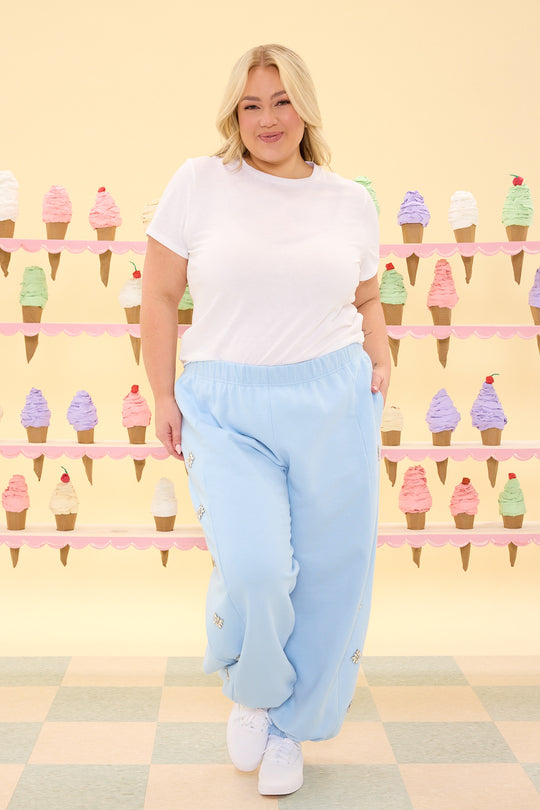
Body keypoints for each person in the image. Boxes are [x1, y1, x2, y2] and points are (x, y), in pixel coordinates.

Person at [141, 43, 390, 798]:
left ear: (305, 107)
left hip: (334, 401)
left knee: (329, 577)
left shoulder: (349, 200)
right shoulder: (199, 183)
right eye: (251, 105)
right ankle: (253, 687)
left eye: (281, 101)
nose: (267, 119)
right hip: (225, 402)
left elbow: (367, 298)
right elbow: (158, 295)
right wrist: (161, 395)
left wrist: (382, 359)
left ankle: (291, 728)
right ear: (233, 114)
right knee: (254, 566)